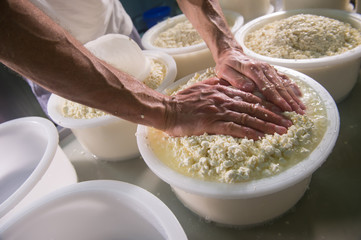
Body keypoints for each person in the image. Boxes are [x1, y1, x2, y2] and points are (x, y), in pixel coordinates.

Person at [0, 0, 304, 140]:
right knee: (109, 147)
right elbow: (7, 22)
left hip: (118, 33)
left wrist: (225, 45)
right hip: (51, 59)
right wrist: (167, 111)